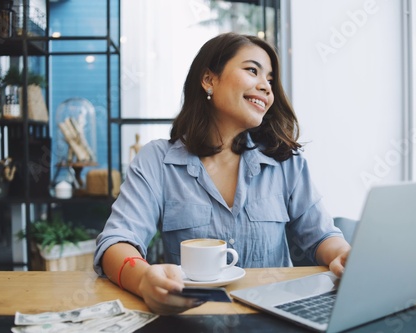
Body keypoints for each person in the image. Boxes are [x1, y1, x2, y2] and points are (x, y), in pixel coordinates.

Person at [94, 32, 351, 315]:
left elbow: (322, 236)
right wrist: (143, 279)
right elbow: (116, 242)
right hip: (194, 317)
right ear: (209, 79)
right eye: (253, 70)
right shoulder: (157, 160)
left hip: (274, 318)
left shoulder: (286, 161)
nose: (266, 86)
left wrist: (343, 255)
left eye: (269, 79)